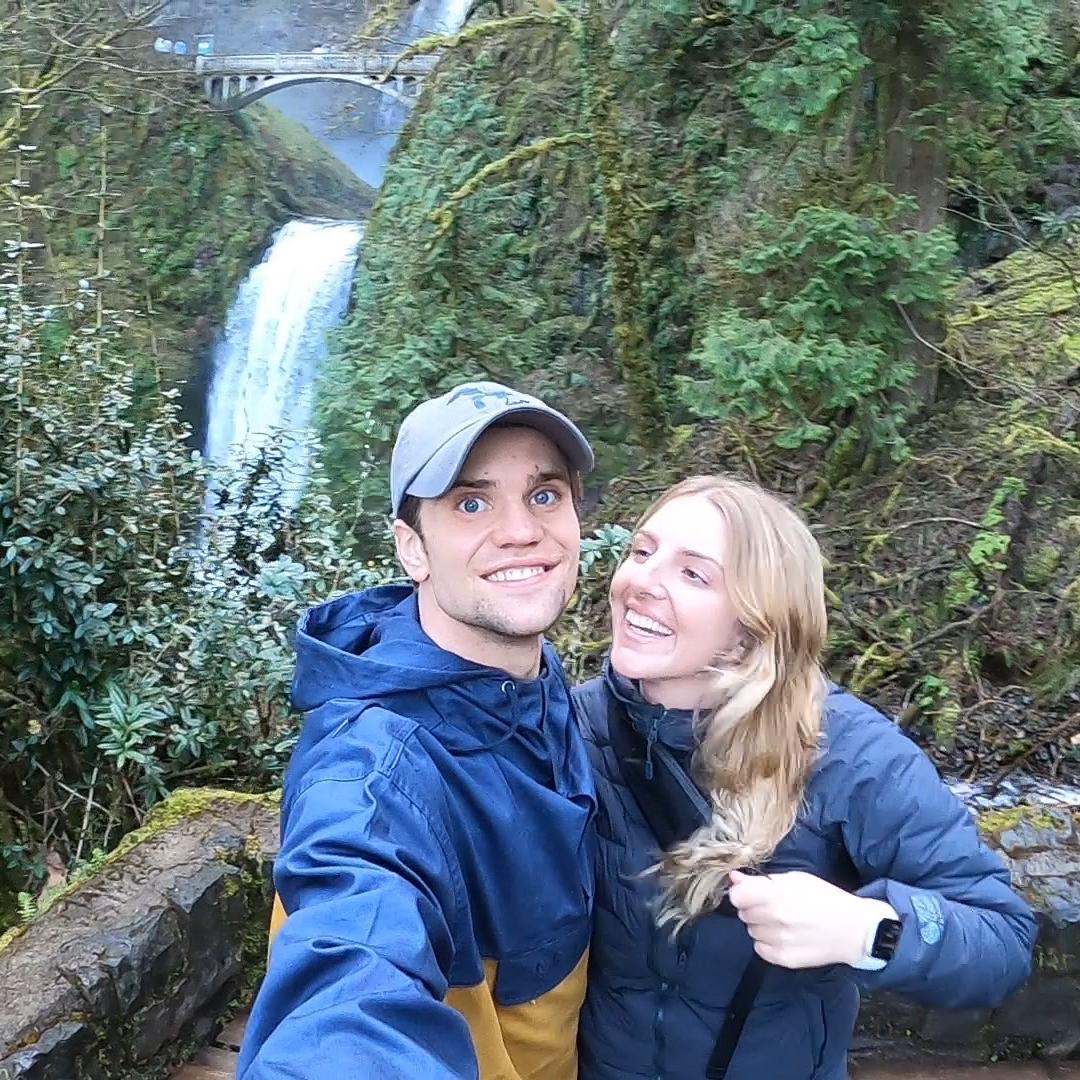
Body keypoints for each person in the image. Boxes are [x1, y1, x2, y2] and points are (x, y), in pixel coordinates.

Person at [573, 475, 1037, 1080]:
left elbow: (1004, 941)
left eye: (694, 574)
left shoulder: (850, 755)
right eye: (642, 551)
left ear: (755, 619)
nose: (641, 584)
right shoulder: (573, 726)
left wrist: (870, 931)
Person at [237, 381, 597, 1080]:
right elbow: (351, 975)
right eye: (470, 502)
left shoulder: (529, 680)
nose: (522, 530)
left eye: (544, 494)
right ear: (413, 549)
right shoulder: (373, 770)